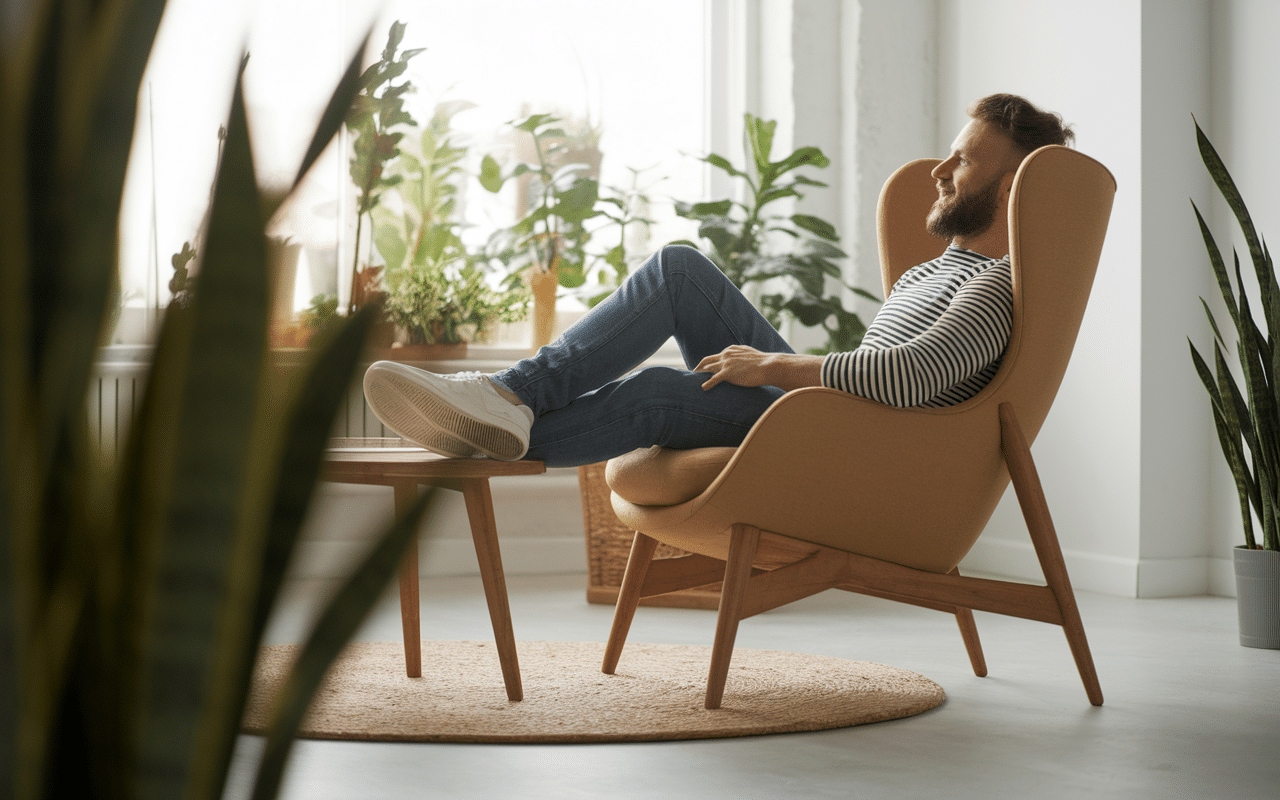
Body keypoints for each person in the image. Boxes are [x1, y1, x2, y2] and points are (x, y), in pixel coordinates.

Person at [362, 93, 1075, 468]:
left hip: (852, 442)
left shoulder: (995, 288)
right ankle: (507, 399)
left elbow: (906, 379)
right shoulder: (942, 270)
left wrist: (770, 365)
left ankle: (494, 422)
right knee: (679, 269)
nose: (941, 172)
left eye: (963, 161)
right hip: (830, 412)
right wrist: (777, 370)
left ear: (1013, 185)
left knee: (658, 393)